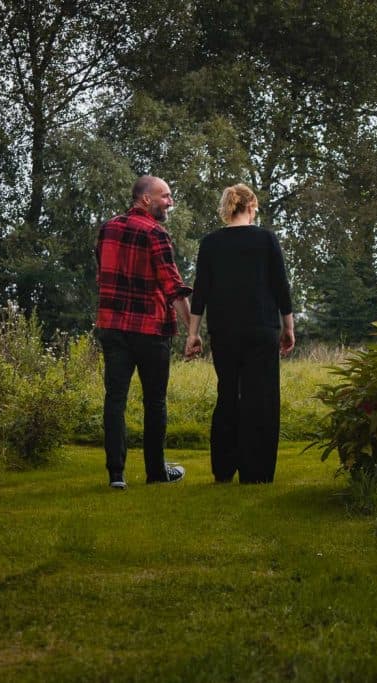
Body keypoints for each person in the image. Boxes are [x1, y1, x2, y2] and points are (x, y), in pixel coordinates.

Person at [184, 184, 294, 483]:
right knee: (261, 398)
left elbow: (201, 293)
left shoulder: (210, 243)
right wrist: (289, 327)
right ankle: (255, 471)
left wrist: (193, 334)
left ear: (227, 208)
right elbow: (280, 286)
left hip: (224, 330)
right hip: (261, 328)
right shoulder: (266, 239)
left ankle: (224, 467)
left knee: (228, 394)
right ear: (252, 206)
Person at [95, 175, 192, 490]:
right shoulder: (155, 233)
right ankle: (156, 471)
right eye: (166, 196)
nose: (170, 202)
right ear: (146, 199)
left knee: (115, 399)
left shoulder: (107, 229)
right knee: (155, 401)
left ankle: (116, 474)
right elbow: (173, 287)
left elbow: (103, 274)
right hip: (149, 329)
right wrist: (193, 330)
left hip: (112, 327)